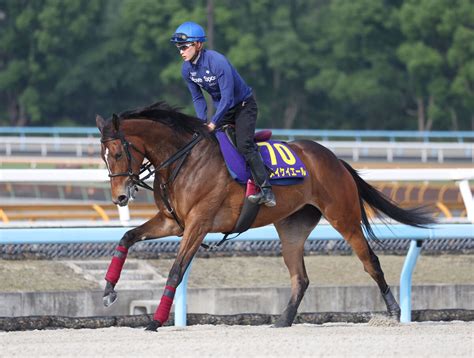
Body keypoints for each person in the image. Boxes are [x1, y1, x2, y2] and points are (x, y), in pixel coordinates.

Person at [170, 21, 276, 207]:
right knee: (206, 143)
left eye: (185, 46)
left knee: (244, 145)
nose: (181, 51)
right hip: (223, 108)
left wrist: (213, 122)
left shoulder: (217, 61)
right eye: (179, 47)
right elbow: (198, 99)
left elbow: (227, 97)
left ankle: (266, 189)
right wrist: (202, 123)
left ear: (198, 45)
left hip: (243, 106)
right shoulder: (186, 70)